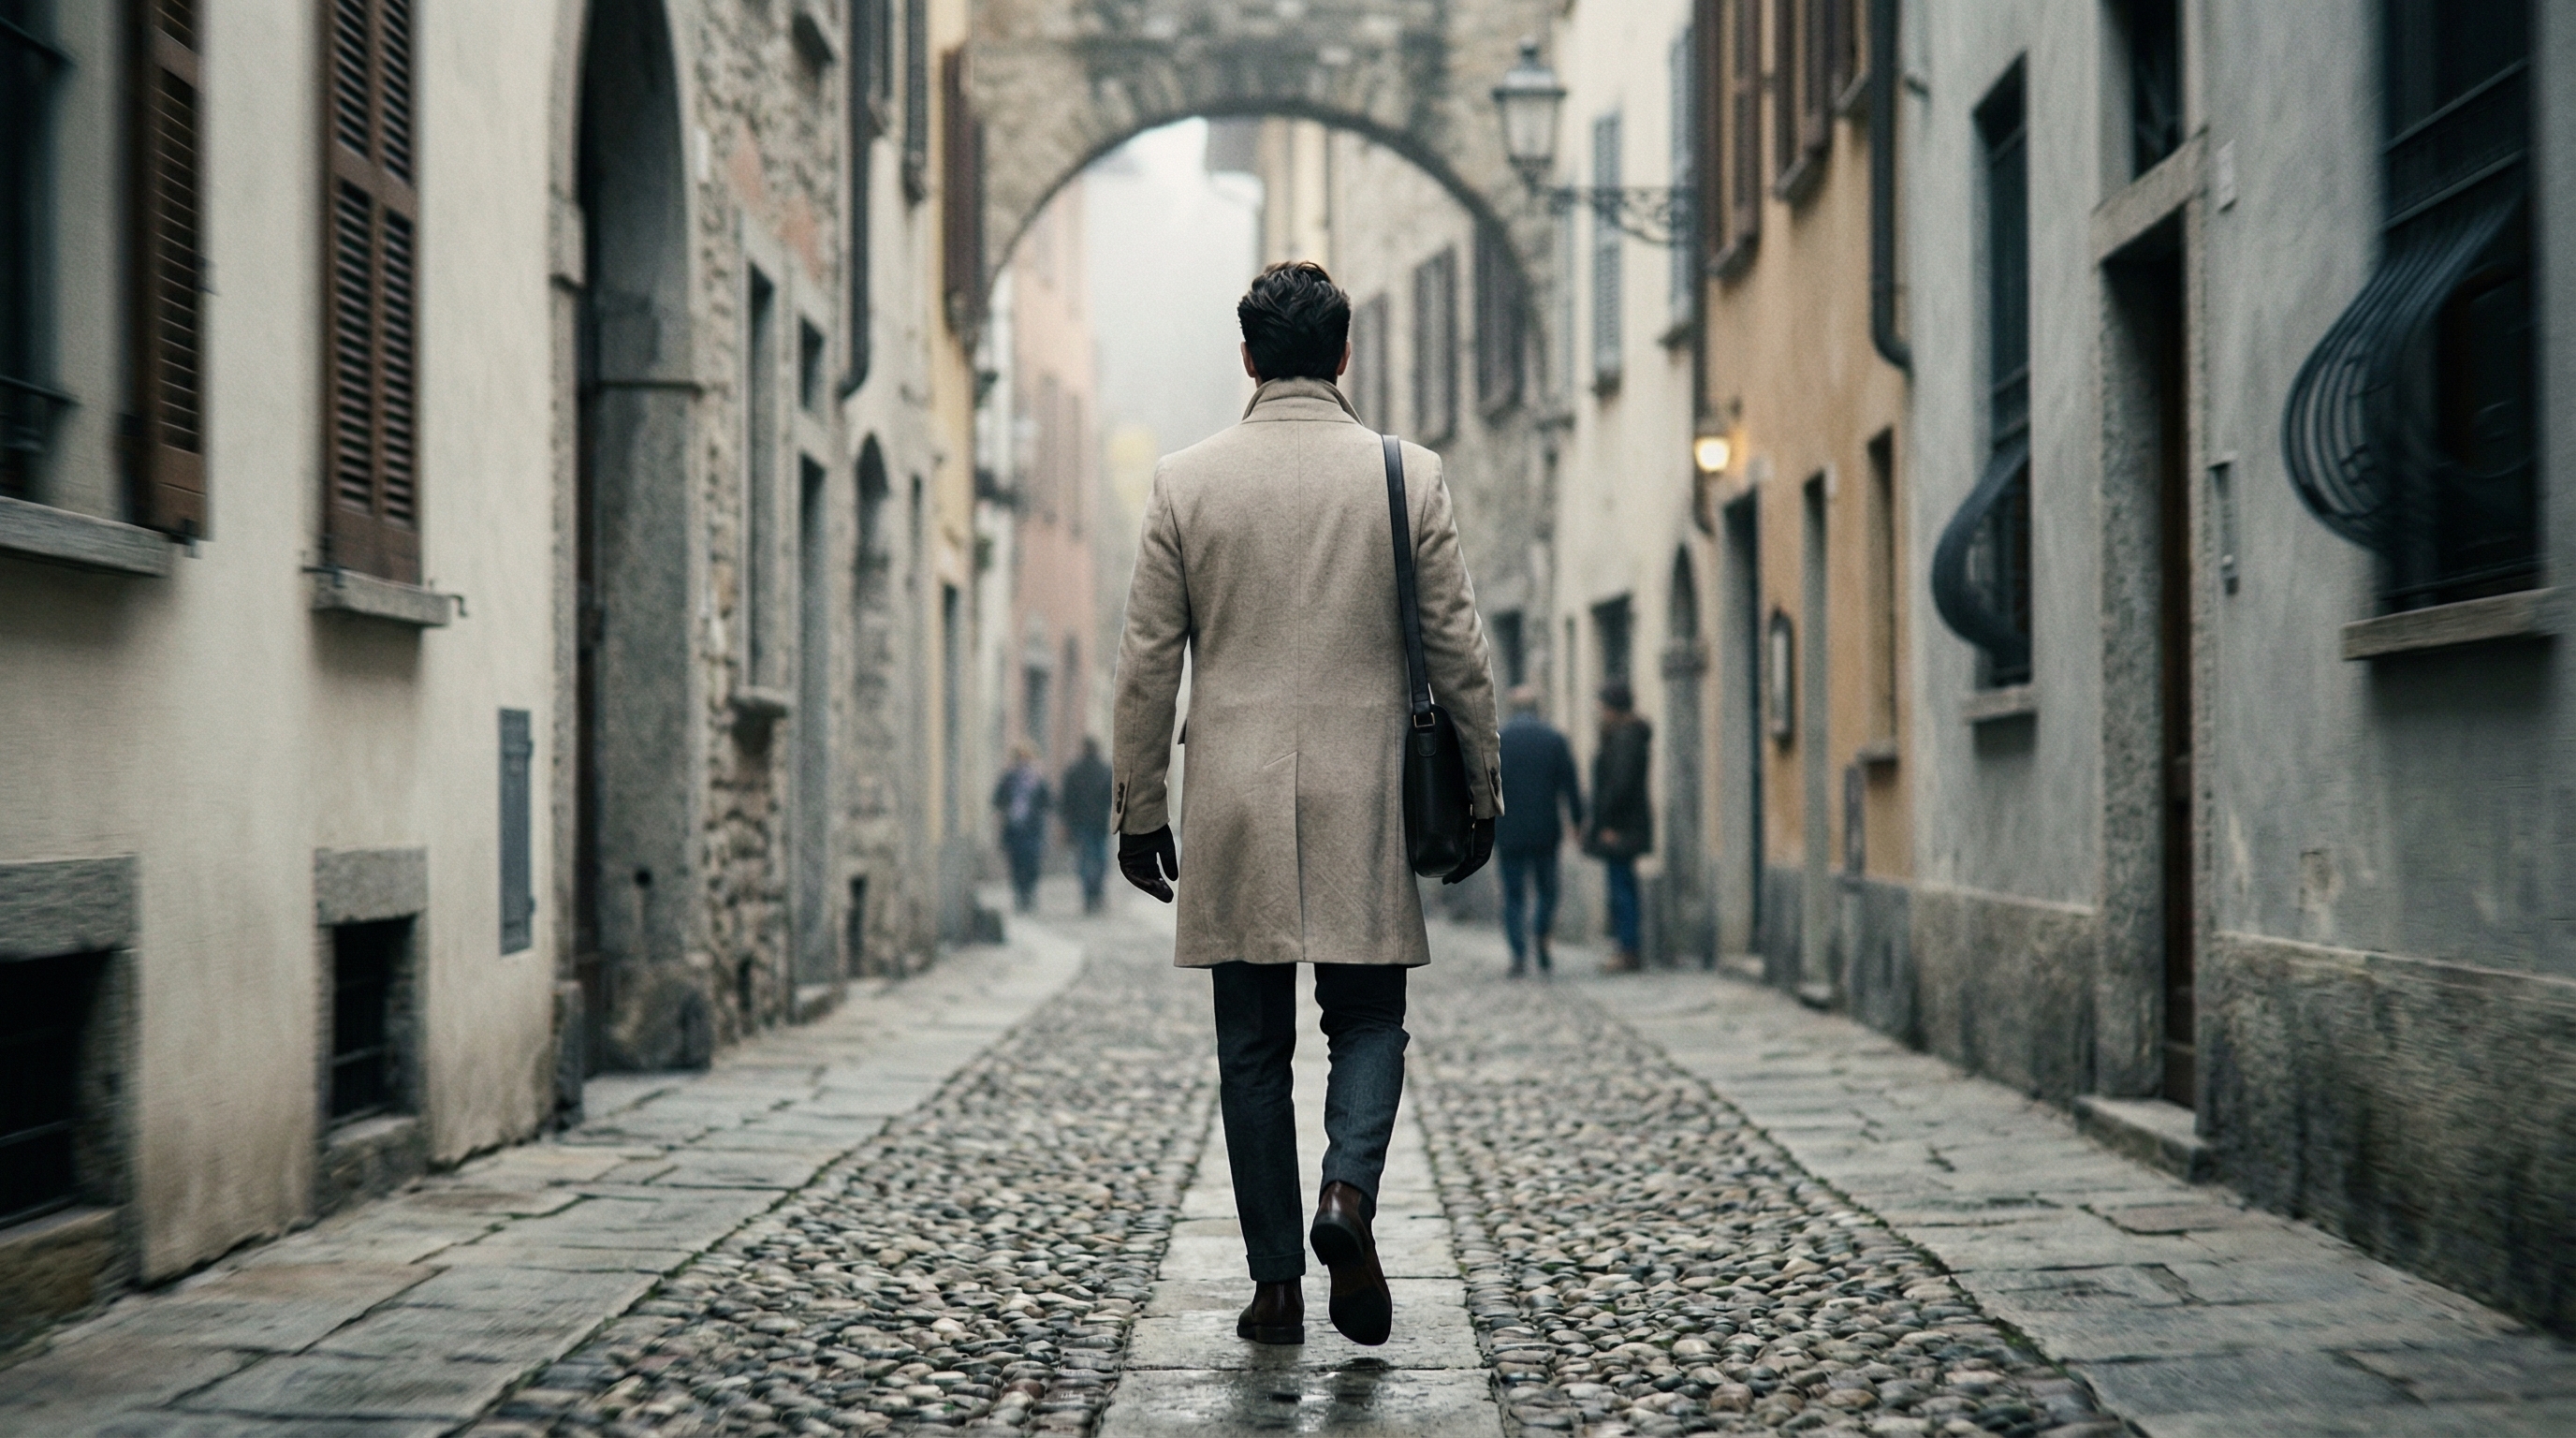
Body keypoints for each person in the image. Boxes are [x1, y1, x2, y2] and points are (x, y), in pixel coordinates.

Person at [1111, 260, 1500, 1351]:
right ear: (1343, 355)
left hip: (1232, 796)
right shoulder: (1406, 476)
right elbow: (1458, 649)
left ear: (1247, 359)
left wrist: (1140, 810)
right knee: (1368, 1017)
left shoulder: (1184, 482)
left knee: (1251, 1048)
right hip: (1364, 787)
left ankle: (1275, 1288)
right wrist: (1480, 785)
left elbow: (1146, 665)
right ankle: (1347, 1195)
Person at [1495, 686, 1584, 977]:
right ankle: (1541, 933)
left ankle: (1519, 954)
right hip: (1545, 830)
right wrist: (1578, 821)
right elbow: (1570, 784)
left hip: (1508, 831)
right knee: (1547, 891)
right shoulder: (1553, 739)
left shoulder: (1500, 741)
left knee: (1513, 895)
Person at [1584, 681, 1653, 972]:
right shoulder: (1625, 735)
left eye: (1603, 706)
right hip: (1625, 824)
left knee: (1622, 889)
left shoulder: (1625, 738)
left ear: (1614, 708)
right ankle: (1626, 949)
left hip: (1621, 827)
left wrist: (1610, 824)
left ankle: (1628, 951)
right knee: (1622, 886)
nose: (1600, 712)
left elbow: (1620, 785)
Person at [1059, 737, 1115, 914]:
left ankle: (1088, 895)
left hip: (1080, 822)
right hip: (1100, 822)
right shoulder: (1105, 771)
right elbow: (1113, 797)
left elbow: (1066, 800)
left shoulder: (1074, 771)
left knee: (1084, 859)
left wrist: (1066, 822)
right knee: (1100, 858)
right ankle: (1097, 891)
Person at [991, 747, 1050, 914]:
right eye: (1020, 759)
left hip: (1032, 829)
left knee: (1032, 862)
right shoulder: (1008, 779)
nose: (1023, 762)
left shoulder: (1038, 779)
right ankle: (1020, 893)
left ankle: (1029, 892)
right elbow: (997, 799)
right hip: (1014, 829)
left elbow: (1047, 801)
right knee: (1016, 863)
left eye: (1026, 759)